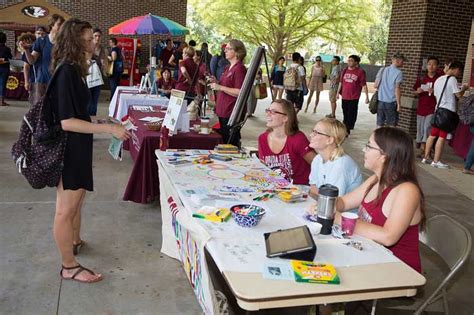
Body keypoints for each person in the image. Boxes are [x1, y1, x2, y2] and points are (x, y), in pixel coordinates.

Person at [48, 18, 131, 283]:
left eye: (93, 37)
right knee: (65, 209)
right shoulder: (67, 72)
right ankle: (68, 266)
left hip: (78, 148)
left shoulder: (76, 69)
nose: (93, 41)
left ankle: (74, 240)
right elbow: (67, 121)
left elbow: (79, 114)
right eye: (87, 38)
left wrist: (103, 122)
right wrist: (110, 131)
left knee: (76, 202)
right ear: (74, 41)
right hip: (68, 150)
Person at [334, 127, 425, 315]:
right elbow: (344, 202)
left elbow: (388, 237)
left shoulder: (406, 191)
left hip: (398, 272)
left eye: (369, 146)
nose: (363, 150)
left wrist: (340, 219)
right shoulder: (376, 180)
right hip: (368, 257)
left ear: (385, 156)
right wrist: (324, 203)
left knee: (331, 279)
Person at [422, 61, 469, 168]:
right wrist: (464, 89)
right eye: (459, 71)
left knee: (432, 135)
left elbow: (435, 94)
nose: (459, 74)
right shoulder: (452, 79)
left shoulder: (439, 79)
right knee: (442, 137)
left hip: (438, 110)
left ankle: (426, 157)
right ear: (455, 68)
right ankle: (436, 161)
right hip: (447, 112)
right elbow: (458, 96)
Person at [258, 99, 316, 185]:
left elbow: (317, 163)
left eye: (273, 112)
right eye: (268, 110)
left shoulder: (298, 139)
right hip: (274, 187)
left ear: (285, 118)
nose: (268, 114)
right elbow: (264, 168)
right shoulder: (262, 139)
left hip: (299, 190)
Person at [308, 118, 362, 205]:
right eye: (313, 131)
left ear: (330, 140)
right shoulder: (318, 159)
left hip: (343, 214)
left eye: (316, 133)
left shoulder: (340, 165)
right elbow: (313, 189)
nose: (311, 135)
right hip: (324, 206)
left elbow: (332, 202)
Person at [209, 39, 247, 146]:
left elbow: (240, 92)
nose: (225, 51)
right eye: (225, 49)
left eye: (229, 49)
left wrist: (219, 87)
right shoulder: (228, 67)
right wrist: (215, 82)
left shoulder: (239, 69)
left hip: (231, 111)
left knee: (231, 143)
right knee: (225, 141)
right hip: (223, 109)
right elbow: (225, 86)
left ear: (237, 52)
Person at [20, 14, 65, 103]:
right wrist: (26, 50)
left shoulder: (64, 43)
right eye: (59, 24)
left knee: (57, 110)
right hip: (42, 81)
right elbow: (32, 61)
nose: (62, 26)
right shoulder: (41, 41)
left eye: (63, 24)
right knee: (40, 110)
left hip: (58, 82)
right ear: (52, 25)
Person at [413, 56, 440, 157]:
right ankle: (422, 149)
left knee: (427, 128)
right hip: (421, 108)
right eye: (429, 64)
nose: (431, 66)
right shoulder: (421, 78)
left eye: (434, 64)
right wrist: (417, 91)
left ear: (437, 66)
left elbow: (442, 93)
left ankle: (426, 151)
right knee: (420, 129)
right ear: (426, 65)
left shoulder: (439, 79)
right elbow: (414, 91)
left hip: (432, 108)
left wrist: (434, 92)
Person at [337, 55, 369, 135]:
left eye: (351, 60)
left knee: (351, 112)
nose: (349, 62)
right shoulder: (344, 71)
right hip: (345, 95)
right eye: (348, 60)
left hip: (354, 96)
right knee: (345, 112)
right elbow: (341, 83)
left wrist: (367, 97)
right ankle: (346, 125)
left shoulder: (360, 72)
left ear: (356, 62)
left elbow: (364, 85)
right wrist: (337, 93)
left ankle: (347, 128)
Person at [375, 52, 405, 127]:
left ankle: (377, 138)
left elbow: (375, 85)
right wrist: (398, 104)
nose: (403, 62)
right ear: (397, 60)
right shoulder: (398, 73)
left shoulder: (382, 69)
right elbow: (397, 89)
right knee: (391, 124)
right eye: (402, 61)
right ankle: (389, 138)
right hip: (391, 102)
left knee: (379, 124)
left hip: (380, 100)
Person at [88, 28, 108, 118]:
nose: (97, 38)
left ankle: (93, 117)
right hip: (87, 77)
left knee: (95, 99)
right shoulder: (87, 47)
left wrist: (104, 65)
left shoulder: (103, 50)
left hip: (97, 79)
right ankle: (86, 117)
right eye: (95, 36)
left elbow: (106, 65)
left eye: (99, 36)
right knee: (87, 99)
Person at [0, 32, 13, 106]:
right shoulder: (7, 49)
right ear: (5, 40)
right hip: (4, 69)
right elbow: (10, 57)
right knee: (2, 85)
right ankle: (1, 101)